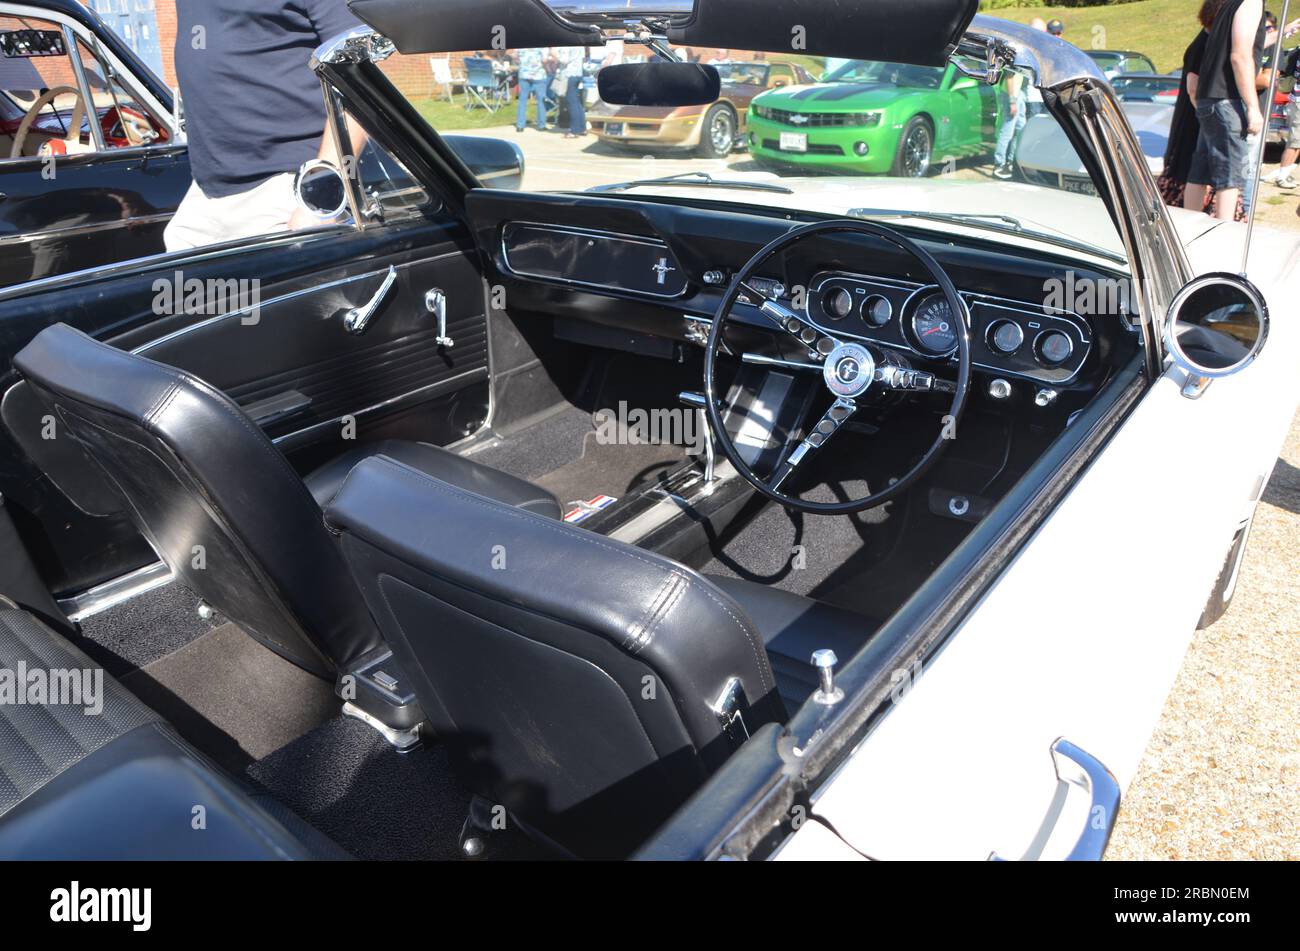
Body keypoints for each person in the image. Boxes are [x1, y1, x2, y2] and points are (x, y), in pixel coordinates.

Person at [164, 0, 362, 251]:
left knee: (297, 289)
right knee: (177, 288)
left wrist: (319, 197)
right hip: (206, 193)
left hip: (284, 190)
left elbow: (358, 81)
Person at [1159, 0, 1245, 219]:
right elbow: (1193, 87)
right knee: (1199, 173)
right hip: (1196, 118)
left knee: (1198, 173)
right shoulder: (1206, 43)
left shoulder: (1205, 39)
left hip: (1196, 115)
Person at [1184, 0, 1266, 221]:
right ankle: (1225, 233)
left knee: (1200, 170)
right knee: (1229, 176)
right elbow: (1240, 56)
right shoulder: (1251, 2)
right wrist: (1253, 106)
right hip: (1226, 98)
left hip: (1209, 98)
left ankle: (1186, 230)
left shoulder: (1226, 5)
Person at [1241, 10, 1280, 213]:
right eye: (1262, 28)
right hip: (1237, 115)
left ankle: (1246, 211)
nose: (1266, 32)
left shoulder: (1274, 49)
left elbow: (1266, 79)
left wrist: (1240, 76)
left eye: (1269, 28)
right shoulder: (1245, 46)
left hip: (1258, 116)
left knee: (1249, 168)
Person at [1261, 20, 1300, 186]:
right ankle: (1282, 176)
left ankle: (1283, 172)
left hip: (1295, 100)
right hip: (1298, 101)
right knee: (1295, 141)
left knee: (1297, 141)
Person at [992, 70, 1027, 179]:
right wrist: (1012, 101)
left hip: (1019, 94)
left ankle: (1011, 162)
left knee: (1021, 130)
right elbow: (1009, 77)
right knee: (1007, 131)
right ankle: (998, 164)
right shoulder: (1015, 56)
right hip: (1010, 95)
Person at [557, 46, 589, 139]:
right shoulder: (580, 44)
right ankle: (582, 128)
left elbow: (564, 60)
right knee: (577, 102)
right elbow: (583, 58)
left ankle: (574, 130)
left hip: (569, 74)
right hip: (578, 73)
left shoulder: (567, 44)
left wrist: (555, 56)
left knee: (571, 102)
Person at [516, 47, 550, 132]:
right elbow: (545, 60)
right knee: (541, 100)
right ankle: (541, 125)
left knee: (522, 100)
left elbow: (515, 57)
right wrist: (548, 68)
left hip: (524, 74)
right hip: (539, 74)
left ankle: (520, 125)